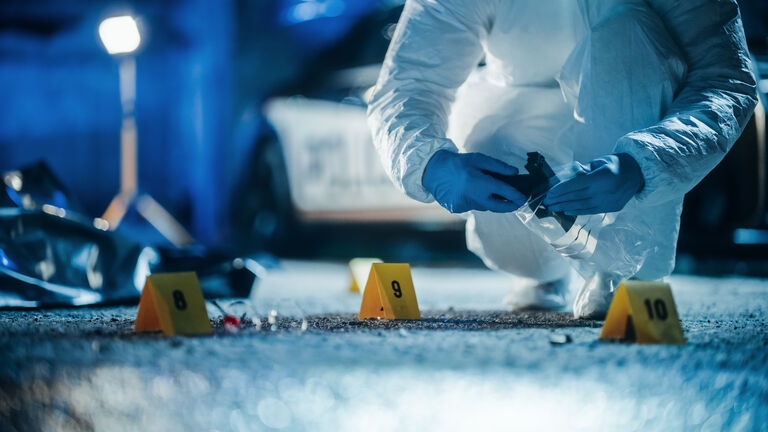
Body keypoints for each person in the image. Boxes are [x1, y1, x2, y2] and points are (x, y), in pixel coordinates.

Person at [367, 0, 758, 318]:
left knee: (627, 31)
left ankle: (625, 271)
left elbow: (726, 79)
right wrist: (431, 165)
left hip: (634, 118)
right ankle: (543, 270)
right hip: (525, 113)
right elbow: (407, 84)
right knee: (519, 244)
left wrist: (646, 161)